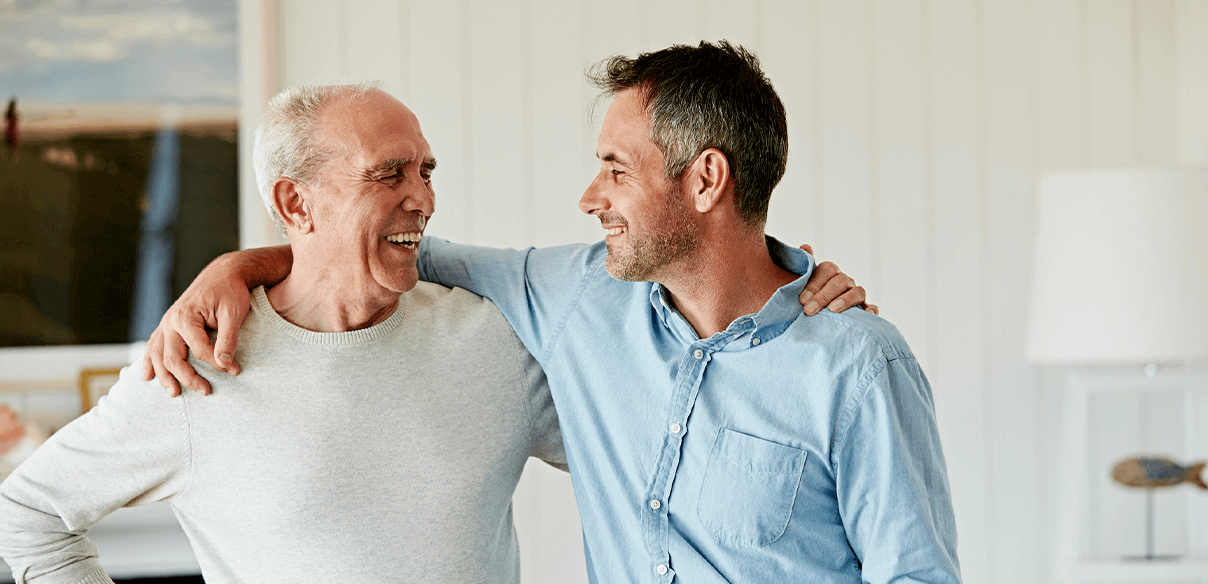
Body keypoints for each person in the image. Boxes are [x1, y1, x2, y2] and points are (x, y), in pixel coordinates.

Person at [150, 42, 952, 583]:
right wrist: (240, 266)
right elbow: (390, 247)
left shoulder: (855, 361)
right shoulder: (577, 298)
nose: (589, 197)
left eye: (615, 170)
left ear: (706, 181)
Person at [0, 83, 567, 583]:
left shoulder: (495, 344)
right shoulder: (193, 368)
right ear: (295, 203)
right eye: (388, 173)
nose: (424, 199)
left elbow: (641, 458)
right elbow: (29, 514)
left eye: (426, 171)